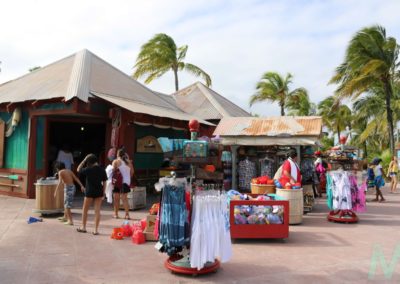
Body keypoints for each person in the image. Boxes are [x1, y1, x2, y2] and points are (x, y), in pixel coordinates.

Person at [77, 154, 108, 235]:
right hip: (99, 192)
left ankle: (83, 227)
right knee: (97, 211)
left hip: (89, 191)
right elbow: (105, 182)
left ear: (89, 162)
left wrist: (84, 160)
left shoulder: (88, 169)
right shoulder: (102, 170)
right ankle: (95, 230)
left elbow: (78, 169)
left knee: (85, 210)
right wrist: (103, 193)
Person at [112, 149, 134, 219]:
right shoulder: (129, 162)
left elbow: (113, 171)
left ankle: (116, 214)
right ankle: (127, 215)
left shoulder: (116, 161)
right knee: (125, 199)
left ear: (117, 154)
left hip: (117, 181)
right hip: (126, 182)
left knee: (116, 198)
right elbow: (132, 172)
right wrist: (128, 177)